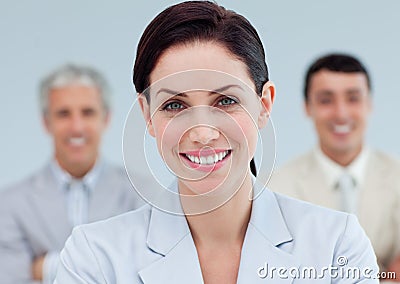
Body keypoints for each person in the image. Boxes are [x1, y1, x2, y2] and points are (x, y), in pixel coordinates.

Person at [54, 2, 379, 283]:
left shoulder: (338, 244)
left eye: (225, 101)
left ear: (264, 105)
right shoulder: (94, 259)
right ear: (148, 115)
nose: (202, 133)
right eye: (174, 105)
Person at [0, 64, 145, 284]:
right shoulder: (10, 204)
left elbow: (147, 273)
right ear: (46, 122)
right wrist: (110, 264)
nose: (76, 127)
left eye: (87, 113)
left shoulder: (141, 195)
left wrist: (47, 267)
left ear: (105, 119)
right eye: (63, 114)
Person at [269, 53, 400, 281]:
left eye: (353, 98)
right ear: (307, 107)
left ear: (369, 104)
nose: (341, 114)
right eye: (326, 100)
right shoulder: (275, 188)